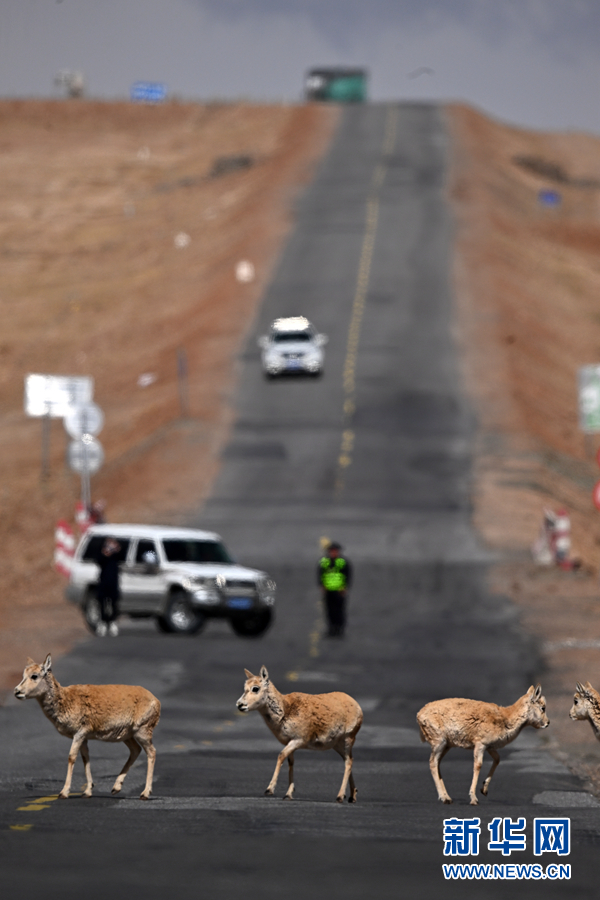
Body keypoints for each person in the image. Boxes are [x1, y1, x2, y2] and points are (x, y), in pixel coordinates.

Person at [318, 542, 352, 637]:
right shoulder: (325, 562)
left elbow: (347, 575)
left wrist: (345, 587)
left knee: (339, 611)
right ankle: (331, 629)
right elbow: (320, 574)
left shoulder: (342, 562)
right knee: (329, 611)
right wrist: (322, 585)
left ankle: (339, 629)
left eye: (335, 551)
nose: (333, 553)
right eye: (332, 551)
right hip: (328, 590)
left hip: (339, 590)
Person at [95, 537, 121, 637]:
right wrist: (105, 553)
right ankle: (102, 623)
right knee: (102, 603)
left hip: (114, 582)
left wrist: (116, 550)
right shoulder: (102, 554)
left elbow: (122, 557)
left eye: (112, 544)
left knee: (114, 603)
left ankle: (113, 622)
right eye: (108, 544)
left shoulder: (116, 556)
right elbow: (98, 560)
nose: (110, 547)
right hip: (103, 582)